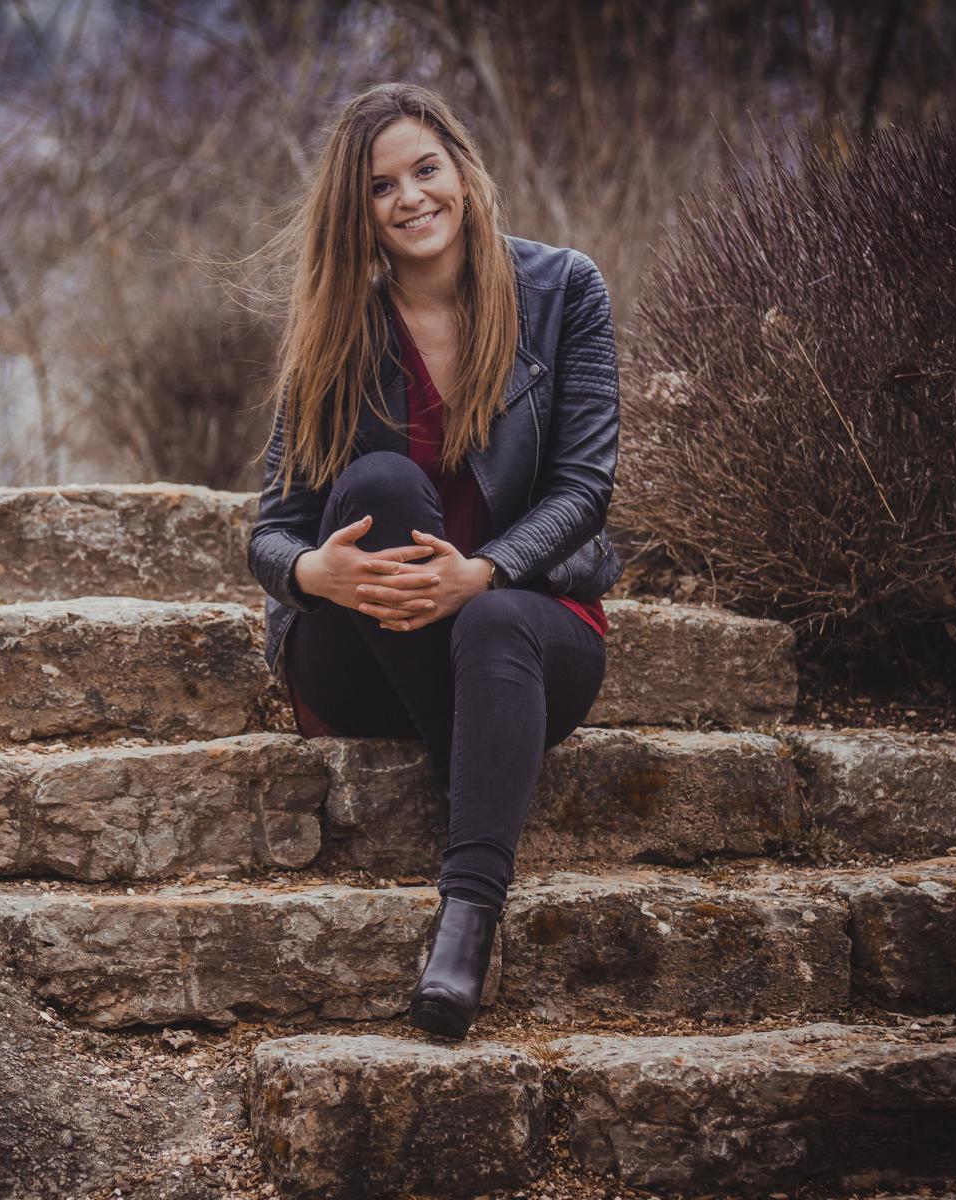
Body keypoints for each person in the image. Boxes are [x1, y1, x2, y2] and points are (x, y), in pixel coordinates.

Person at [245, 82, 623, 1039]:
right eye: (382, 186)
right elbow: (272, 528)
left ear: (461, 171)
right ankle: (480, 773)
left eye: (426, 170)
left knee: (493, 620)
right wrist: (309, 576)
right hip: (366, 650)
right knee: (374, 483)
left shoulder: (563, 289)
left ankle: (465, 925)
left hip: (527, 636)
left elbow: (585, 489)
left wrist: (484, 571)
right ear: (357, 210)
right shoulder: (336, 326)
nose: (410, 197)